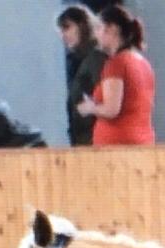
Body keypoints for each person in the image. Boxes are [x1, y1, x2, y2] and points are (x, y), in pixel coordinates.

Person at [76, 4, 155, 146]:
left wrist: (89, 107)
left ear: (112, 29)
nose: (96, 35)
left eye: (99, 28)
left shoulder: (116, 64)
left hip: (117, 145)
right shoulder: (143, 63)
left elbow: (111, 109)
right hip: (143, 140)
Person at [57, 5, 107, 146]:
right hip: (83, 138)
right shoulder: (76, 61)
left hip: (96, 139)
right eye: (61, 30)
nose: (63, 35)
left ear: (83, 26)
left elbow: (107, 98)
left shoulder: (95, 58)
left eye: (67, 27)